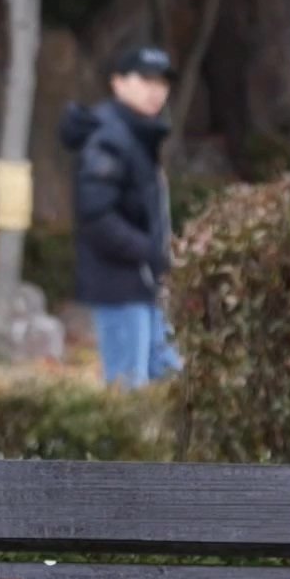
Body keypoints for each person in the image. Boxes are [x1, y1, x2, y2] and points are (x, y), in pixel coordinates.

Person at [60, 46, 182, 389]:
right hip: (120, 285)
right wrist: (150, 252)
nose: (155, 90)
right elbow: (97, 218)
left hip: (146, 284)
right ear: (118, 83)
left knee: (169, 379)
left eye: (162, 82)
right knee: (129, 389)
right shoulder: (110, 137)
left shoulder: (138, 133)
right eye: (145, 80)